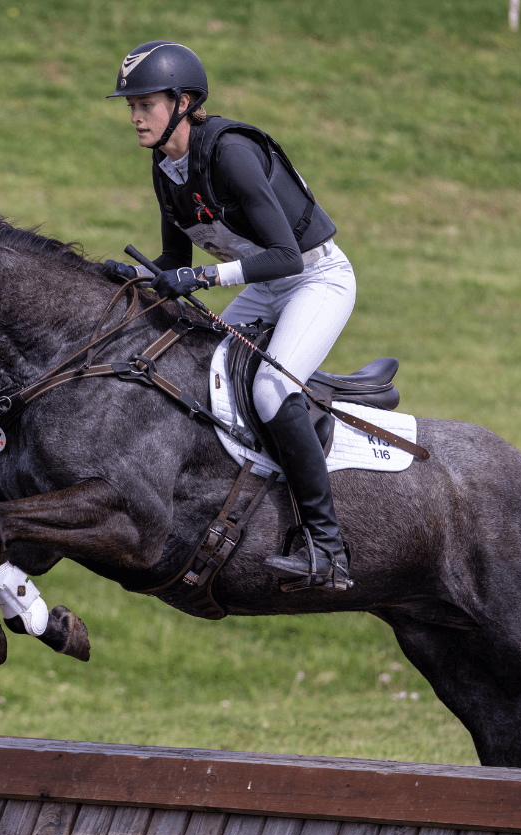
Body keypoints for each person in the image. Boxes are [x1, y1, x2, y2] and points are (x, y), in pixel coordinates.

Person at [102, 40, 356, 591]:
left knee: (269, 390)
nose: (136, 116)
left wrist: (202, 279)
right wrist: (132, 278)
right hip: (266, 286)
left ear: (185, 102)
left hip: (316, 280)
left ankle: (328, 549)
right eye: (131, 106)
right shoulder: (167, 165)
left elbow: (286, 255)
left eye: (146, 104)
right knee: (201, 369)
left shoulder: (229, 152)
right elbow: (174, 261)